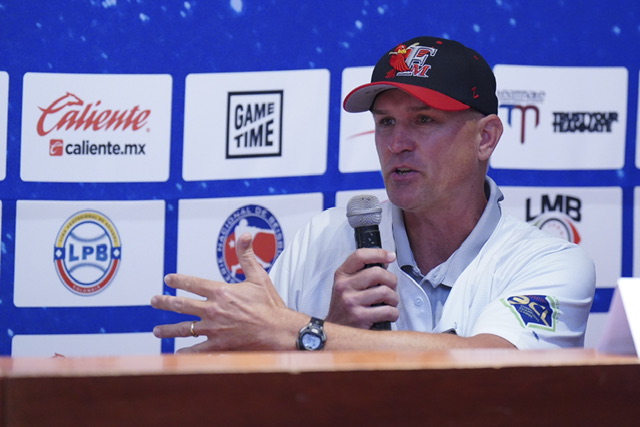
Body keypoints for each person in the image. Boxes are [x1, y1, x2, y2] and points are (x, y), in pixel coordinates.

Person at [151, 36, 596, 352]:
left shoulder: (549, 261)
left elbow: (489, 363)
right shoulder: (325, 235)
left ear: (486, 137)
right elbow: (259, 386)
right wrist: (328, 328)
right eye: (385, 122)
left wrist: (313, 334)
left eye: (424, 120)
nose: (397, 143)